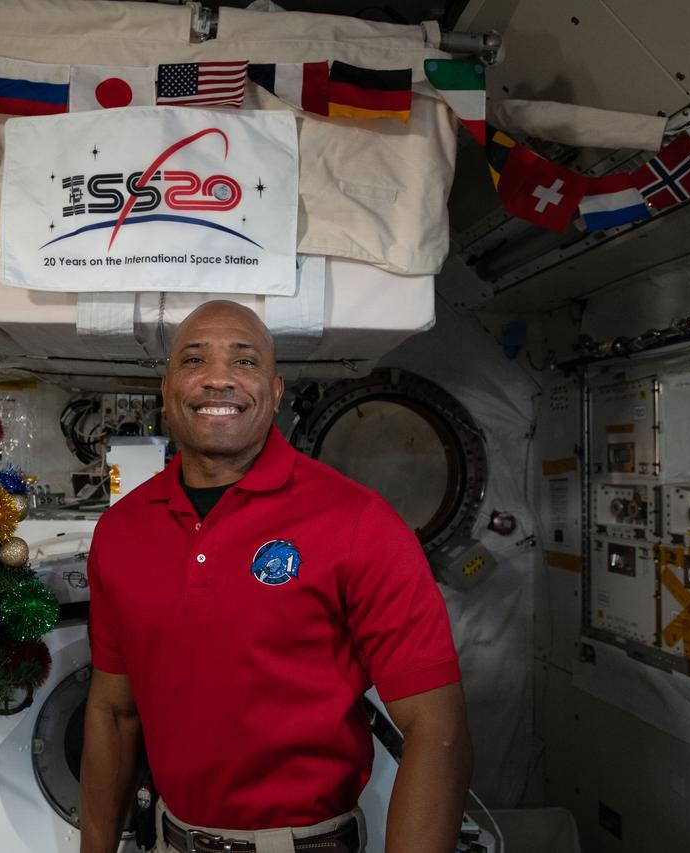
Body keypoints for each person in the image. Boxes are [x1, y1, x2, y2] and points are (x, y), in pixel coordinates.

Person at [80, 300, 471, 853]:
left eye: (244, 362)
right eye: (194, 360)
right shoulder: (121, 531)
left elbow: (439, 731)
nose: (218, 378)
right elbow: (112, 711)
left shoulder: (357, 522)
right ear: (167, 389)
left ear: (277, 390)